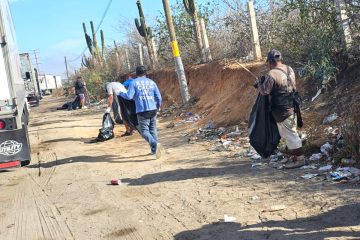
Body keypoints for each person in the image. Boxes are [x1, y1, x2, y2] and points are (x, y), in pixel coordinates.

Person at [255, 49, 304, 168]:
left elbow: (264, 91)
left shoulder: (272, 74)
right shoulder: (289, 69)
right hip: (291, 105)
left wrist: (258, 84)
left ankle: (300, 159)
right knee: (287, 134)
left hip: (282, 109)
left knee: (291, 134)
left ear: (270, 62)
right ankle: (293, 157)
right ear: (280, 59)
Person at [119, 65, 163, 158]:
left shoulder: (134, 83)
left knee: (144, 131)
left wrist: (121, 93)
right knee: (152, 129)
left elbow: (129, 96)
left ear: (136, 73)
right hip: (153, 109)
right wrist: (158, 107)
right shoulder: (152, 82)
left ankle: (155, 144)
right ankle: (154, 151)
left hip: (142, 110)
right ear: (145, 73)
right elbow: (159, 97)